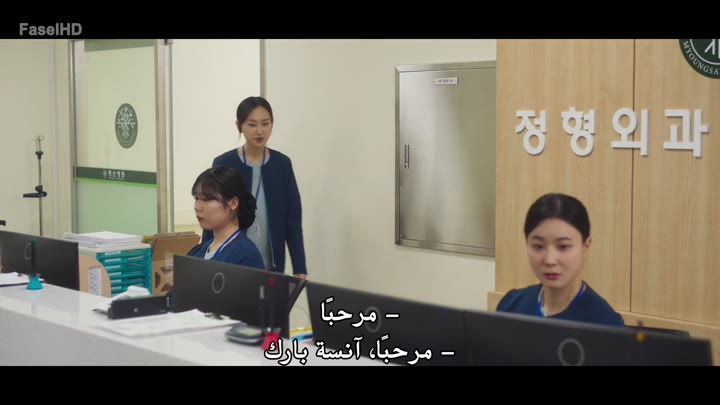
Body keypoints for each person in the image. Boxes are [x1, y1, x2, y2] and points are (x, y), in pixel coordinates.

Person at [204, 96, 308, 279]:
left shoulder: (282, 164)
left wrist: (300, 267)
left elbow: (293, 220)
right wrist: (204, 262)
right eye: (252, 124)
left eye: (265, 124)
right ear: (239, 125)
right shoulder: (224, 163)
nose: (259, 131)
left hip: (272, 265)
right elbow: (212, 216)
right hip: (231, 262)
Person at [495, 192, 625, 327]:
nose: (549, 260)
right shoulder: (511, 306)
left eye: (563, 247)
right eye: (538, 246)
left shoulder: (606, 324)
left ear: (586, 246)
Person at [187, 166, 264, 269]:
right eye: (197, 198)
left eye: (206, 199)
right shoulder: (196, 252)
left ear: (233, 203)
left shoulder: (246, 256)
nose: (197, 207)